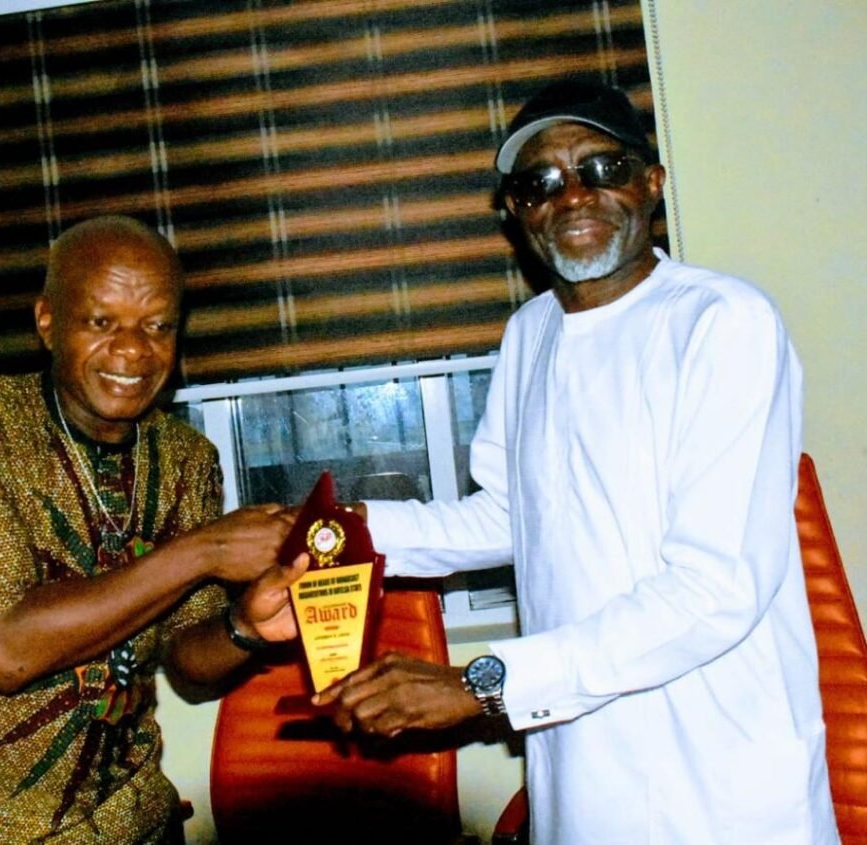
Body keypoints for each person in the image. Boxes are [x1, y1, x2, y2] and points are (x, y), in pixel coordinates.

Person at [316, 80, 839, 843]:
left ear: (651, 183)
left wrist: (482, 682)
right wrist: (337, 529)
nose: (573, 196)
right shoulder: (530, 333)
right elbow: (509, 515)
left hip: (719, 778)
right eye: (542, 183)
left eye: (602, 168)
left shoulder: (722, 323)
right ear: (516, 211)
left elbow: (714, 587)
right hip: (580, 765)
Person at [0, 216, 306, 844]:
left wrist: (245, 626)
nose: (134, 350)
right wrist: (204, 550)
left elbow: (188, 664)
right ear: (47, 321)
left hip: (133, 818)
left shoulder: (186, 460)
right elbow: (4, 651)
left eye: (158, 326)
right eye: (101, 322)